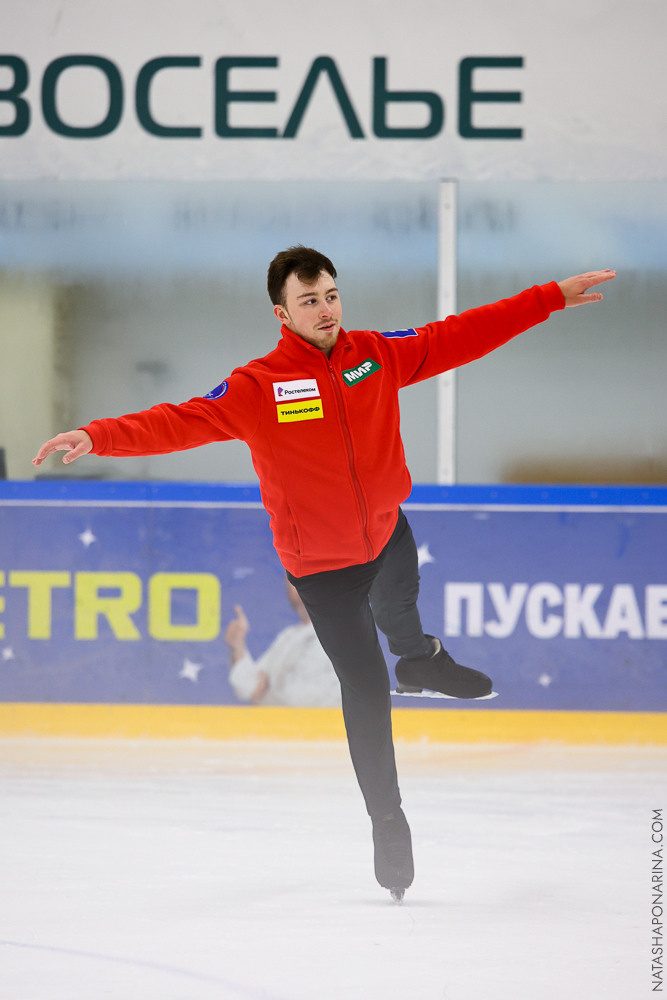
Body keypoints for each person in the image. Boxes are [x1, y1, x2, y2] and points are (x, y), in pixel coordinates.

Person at [33, 247, 615, 900]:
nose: (326, 309)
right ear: (282, 313)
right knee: (365, 692)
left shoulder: (376, 354)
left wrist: (547, 298)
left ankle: (420, 660)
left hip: (386, 530)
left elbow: (458, 336)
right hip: (323, 569)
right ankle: (386, 818)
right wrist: (97, 435)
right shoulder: (258, 387)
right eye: (310, 301)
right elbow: (177, 422)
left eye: (331, 295)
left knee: (400, 604)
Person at [226, 578, 340, 707]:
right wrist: (238, 647)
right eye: (291, 576)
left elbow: (303, 699)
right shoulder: (288, 637)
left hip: (329, 725)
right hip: (284, 725)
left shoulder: (343, 632)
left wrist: (267, 694)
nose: (300, 583)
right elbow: (250, 688)